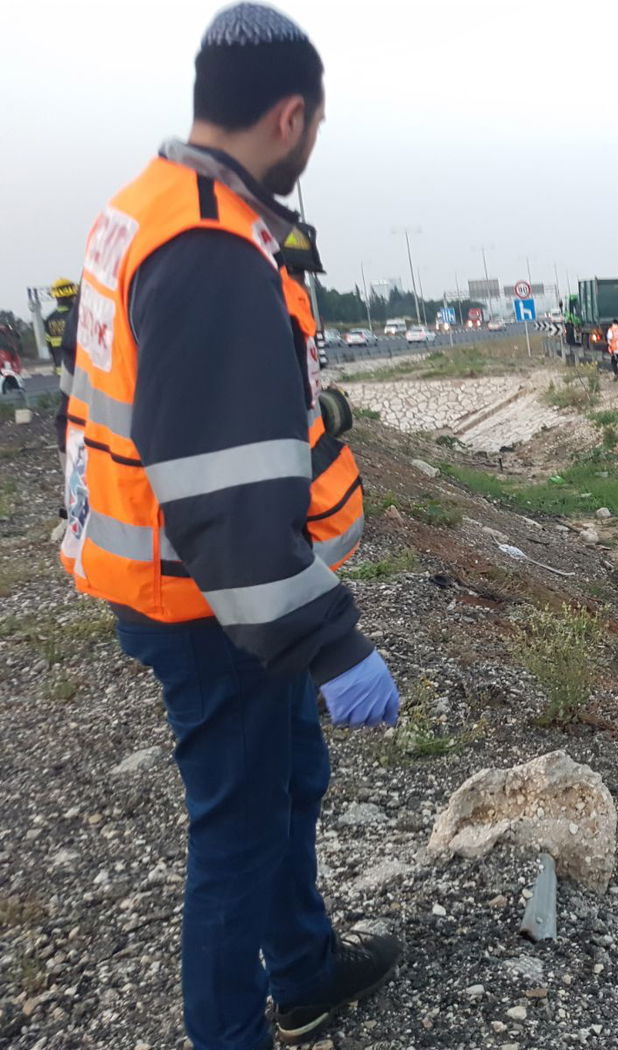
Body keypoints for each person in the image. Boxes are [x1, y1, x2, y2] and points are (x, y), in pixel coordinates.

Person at [60, 5, 401, 1048]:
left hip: (222, 590)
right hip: (209, 600)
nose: (310, 147)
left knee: (289, 780)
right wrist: (332, 643)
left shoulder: (155, 206)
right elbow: (220, 493)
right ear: (289, 116)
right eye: (315, 128)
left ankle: (300, 972)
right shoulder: (208, 246)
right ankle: (232, 1029)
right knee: (238, 836)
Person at [44, 277, 78, 374]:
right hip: (77, 368)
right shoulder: (77, 315)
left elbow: (49, 345)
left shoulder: (49, 319)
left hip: (61, 368)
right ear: (71, 296)